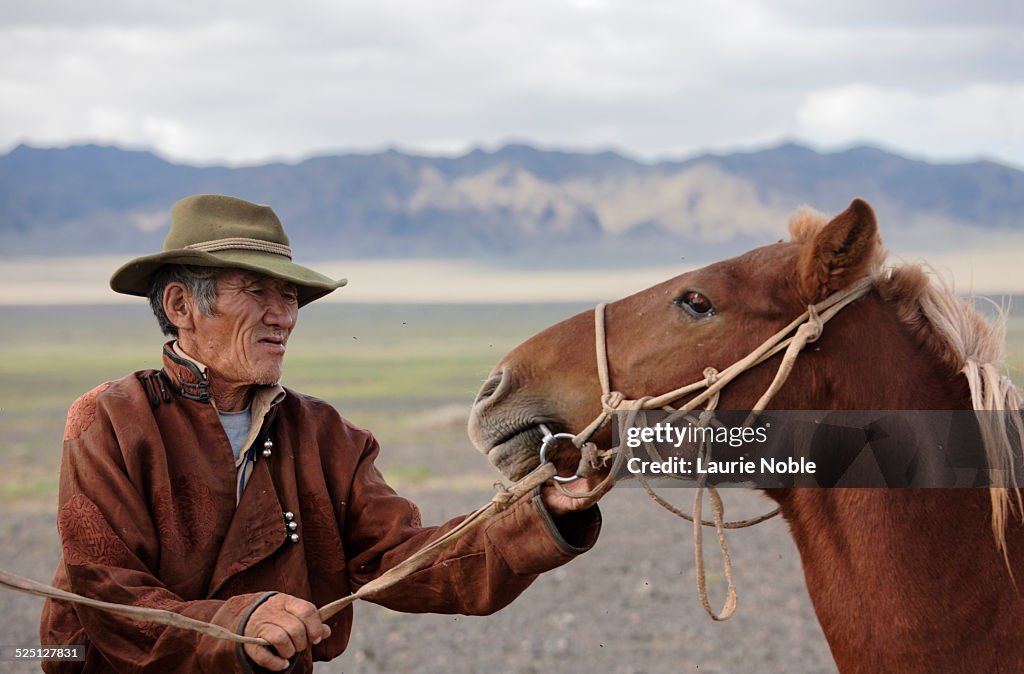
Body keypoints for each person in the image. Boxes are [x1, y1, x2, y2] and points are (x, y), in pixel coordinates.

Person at [39, 194, 603, 673]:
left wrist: (541, 511)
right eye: (256, 291)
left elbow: (405, 558)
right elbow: (108, 597)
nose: (282, 316)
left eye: (289, 297)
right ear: (181, 305)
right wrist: (240, 625)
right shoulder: (110, 420)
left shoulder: (323, 433)